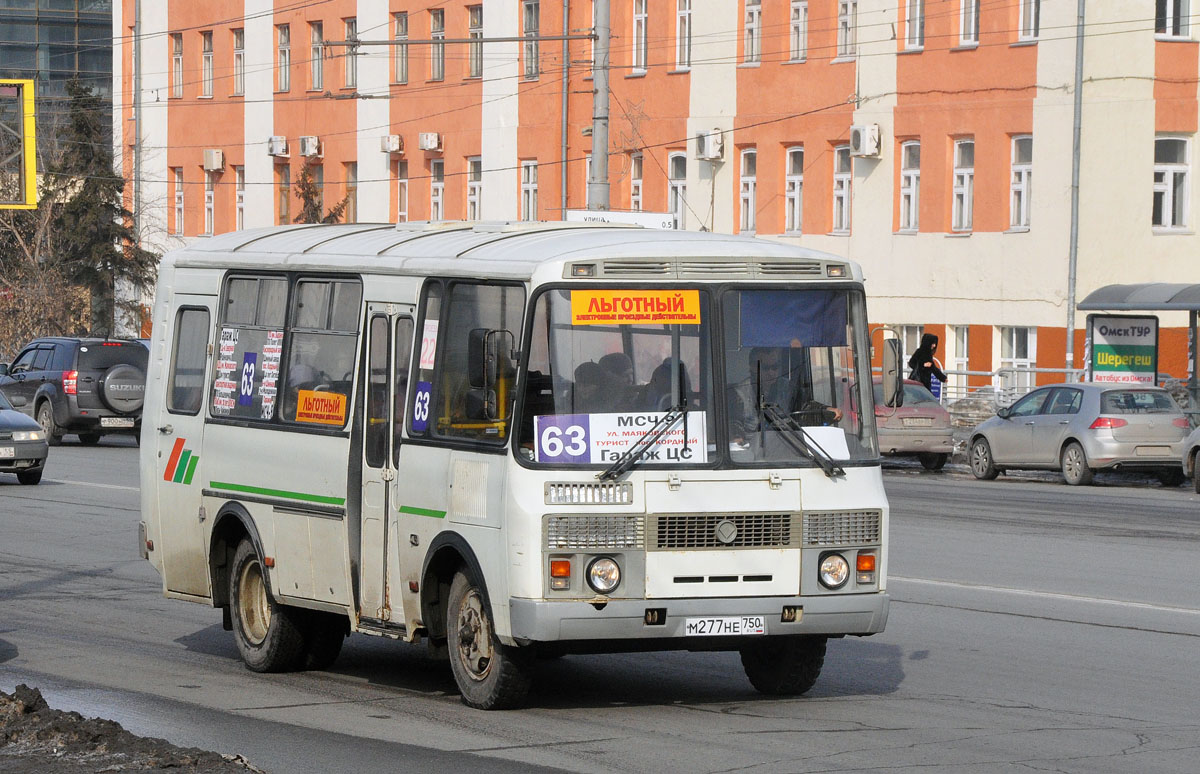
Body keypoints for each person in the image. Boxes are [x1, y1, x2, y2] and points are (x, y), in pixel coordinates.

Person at [729, 347, 841, 442]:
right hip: (752, 452)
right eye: (766, 368)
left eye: (775, 367)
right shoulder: (738, 394)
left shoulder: (788, 388)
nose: (771, 372)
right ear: (753, 368)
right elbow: (734, 423)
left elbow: (805, 406)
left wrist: (826, 410)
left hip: (786, 446)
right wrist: (736, 435)